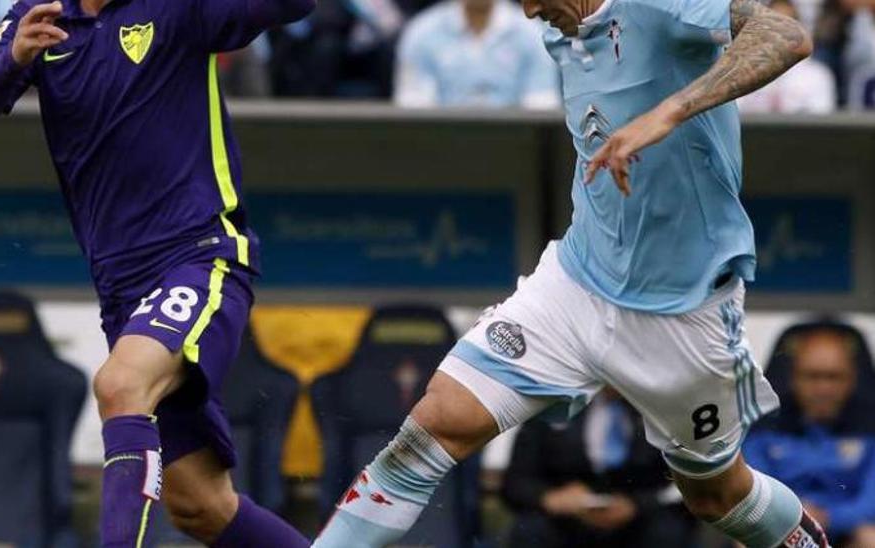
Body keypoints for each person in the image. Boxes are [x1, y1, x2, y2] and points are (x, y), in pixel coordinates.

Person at [312, 0, 829, 546]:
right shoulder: (561, 37)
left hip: (684, 310)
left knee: (716, 496)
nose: (530, 10)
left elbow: (786, 36)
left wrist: (669, 111)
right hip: (576, 285)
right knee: (433, 426)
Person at [0, 0, 314, 547]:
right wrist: (13, 59)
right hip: (120, 289)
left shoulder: (177, 8)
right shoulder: (37, 16)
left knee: (121, 384)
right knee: (201, 506)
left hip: (199, 253)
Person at [745, 328, 875, 548]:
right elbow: (751, 497)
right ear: (794, 378)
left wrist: (824, 518)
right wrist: (797, 519)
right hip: (781, 531)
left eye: (833, 377)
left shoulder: (873, 431)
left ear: (851, 380)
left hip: (845, 532)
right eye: (812, 376)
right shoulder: (765, 427)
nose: (823, 388)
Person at [501, 390, 696, 547]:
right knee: (531, 529)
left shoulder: (665, 413)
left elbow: (687, 485)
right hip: (566, 520)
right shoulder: (553, 407)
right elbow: (516, 481)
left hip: (638, 517)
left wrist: (637, 505)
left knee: (667, 531)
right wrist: (548, 498)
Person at [393, 0, 559, 109]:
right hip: (440, 152)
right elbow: (414, 112)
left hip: (516, 152)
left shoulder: (532, 33)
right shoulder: (421, 33)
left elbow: (541, 108)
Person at [737, 0, 835, 113]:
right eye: (772, 25)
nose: (779, 34)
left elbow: (821, 125)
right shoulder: (742, 74)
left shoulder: (817, 75)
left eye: (785, 26)